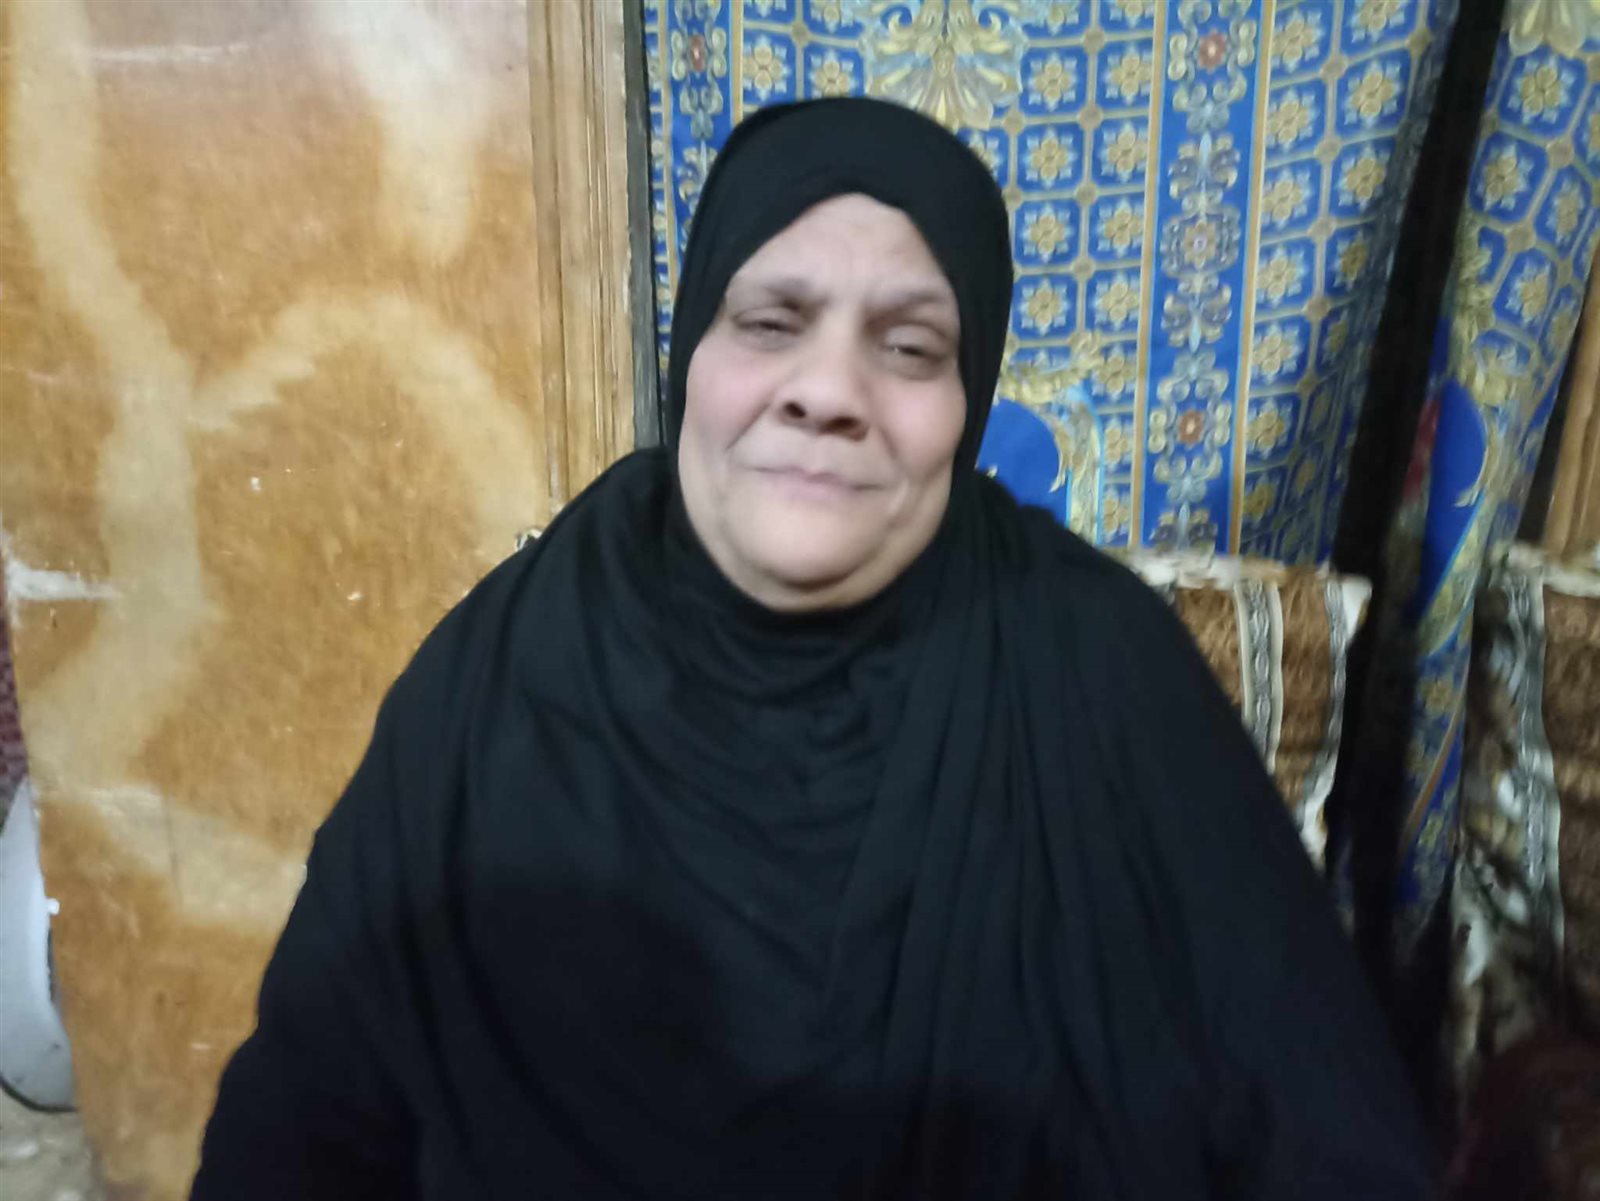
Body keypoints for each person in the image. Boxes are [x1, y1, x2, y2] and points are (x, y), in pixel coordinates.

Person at [192, 98, 1434, 1200]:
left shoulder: (1098, 668)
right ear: (693, 348)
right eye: (771, 320)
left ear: (970, 400)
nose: (828, 390)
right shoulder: (508, 667)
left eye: (909, 347)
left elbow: (1327, 1131)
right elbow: (302, 1123)